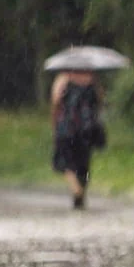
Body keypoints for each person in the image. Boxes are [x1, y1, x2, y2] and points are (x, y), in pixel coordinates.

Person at [50, 70, 106, 210]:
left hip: (67, 125)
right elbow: (100, 100)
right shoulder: (92, 79)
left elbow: (56, 100)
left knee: (65, 161)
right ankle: (81, 191)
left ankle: (76, 190)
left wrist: (55, 119)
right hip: (87, 127)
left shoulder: (63, 78)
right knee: (83, 162)